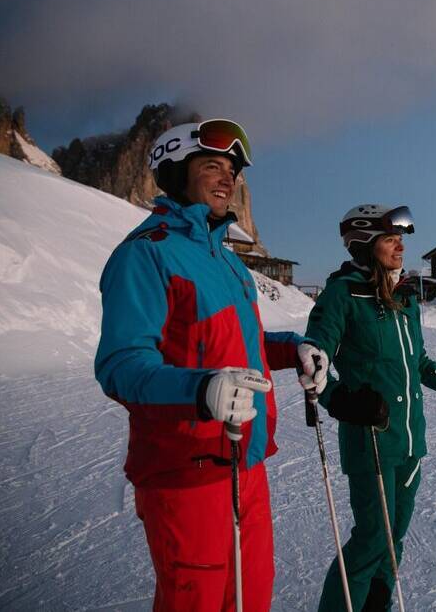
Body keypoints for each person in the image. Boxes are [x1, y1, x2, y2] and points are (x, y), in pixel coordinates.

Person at [94, 119, 329, 611]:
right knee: (198, 602)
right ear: (178, 173)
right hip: (186, 470)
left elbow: (236, 346)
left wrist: (294, 348)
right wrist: (201, 389)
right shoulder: (147, 255)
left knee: (250, 595)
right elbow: (121, 365)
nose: (228, 179)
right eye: (212, 167)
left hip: (245, 463)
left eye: (232, 170)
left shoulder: (225, 261)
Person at [306, 204, 436, 611]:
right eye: (390, 238)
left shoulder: (404, 299)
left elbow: (418, 364)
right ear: (365, 243)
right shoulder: (341, 296)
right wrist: (342, 401)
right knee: (371, 541)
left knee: (393, 540)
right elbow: (313, 361)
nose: (400, 246)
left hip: (411, 441)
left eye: (401, 238)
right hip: (371, 442)